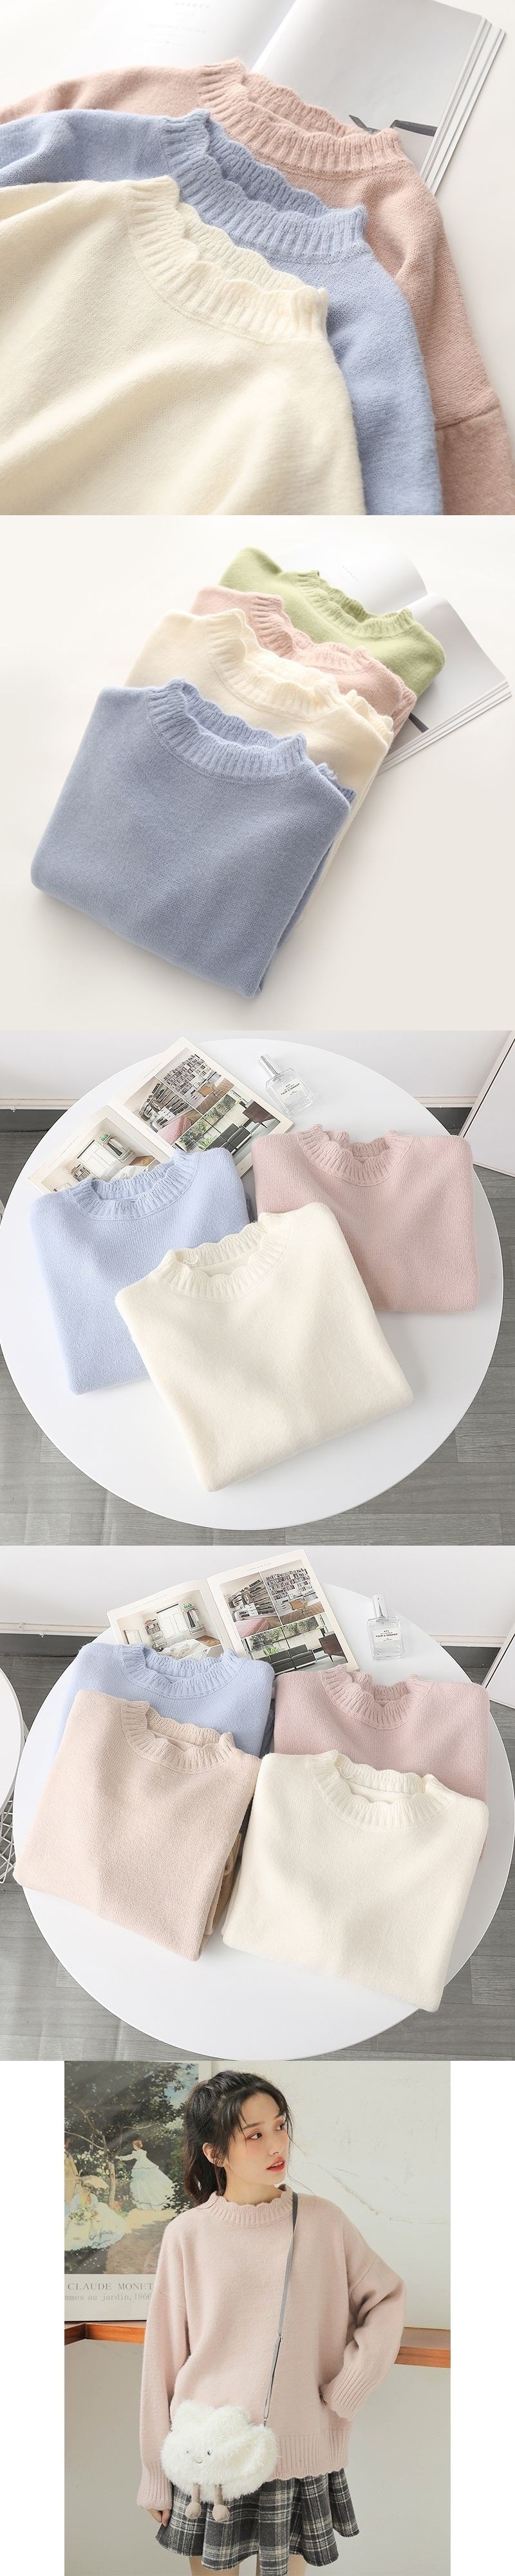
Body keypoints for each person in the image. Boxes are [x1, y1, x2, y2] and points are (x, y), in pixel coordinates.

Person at [138, 2069, 405, 2576]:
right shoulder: (187, 2235)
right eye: (254, 2135)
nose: (277, 2144)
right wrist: (155, 2473)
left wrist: (348, 2388)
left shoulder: (324, 2222)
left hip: (296, 2450)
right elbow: (162, 2362)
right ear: (215, 2153)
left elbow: (387, 2298)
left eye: (280, 2126)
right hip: (208, 2453)